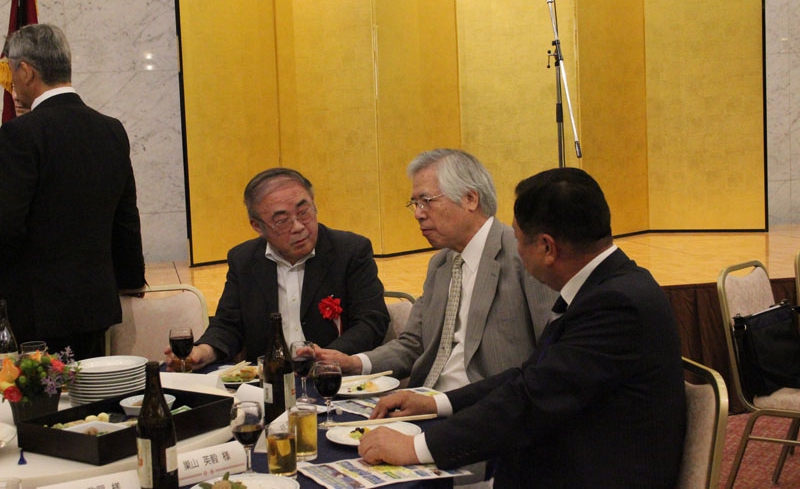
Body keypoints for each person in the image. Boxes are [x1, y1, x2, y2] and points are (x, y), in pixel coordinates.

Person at [358, 167, 687, 488]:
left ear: (547, 248)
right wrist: (437, 403)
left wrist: (417, 448)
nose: (515, 249)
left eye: (517, 239)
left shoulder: (616, 305)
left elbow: (531, 401)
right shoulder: (609, 285)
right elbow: (530, 375)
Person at [317, 149, 556, 485]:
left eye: (426, 201)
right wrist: (355, 363)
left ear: (470, 198)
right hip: (422, 407)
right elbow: (414, 342)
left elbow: (549, 359)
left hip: (487, 418)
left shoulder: (522, 256)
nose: (418, 214)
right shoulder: (441, 263)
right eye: (414, 203)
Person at [0, 24, 146, 360]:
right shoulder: (111, 130)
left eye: (11, 71)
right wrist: (131, 279)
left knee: (42, 395)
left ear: (26, 71)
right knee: (90, 392)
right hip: (95, 307)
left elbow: (6, 225)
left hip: (35, 313)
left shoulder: (19, 135)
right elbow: (125, 216)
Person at [167, 168, 390, 371]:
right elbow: (229, 325)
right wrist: (203, 351)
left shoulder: (350, 251)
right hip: (267, 382)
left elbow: (371, 321)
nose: (299, 227)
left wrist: (328, 357)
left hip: (334, 379)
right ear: (257, 226)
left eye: (304, 212)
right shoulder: (244, 260)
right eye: (282, 221)